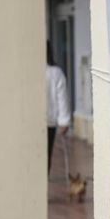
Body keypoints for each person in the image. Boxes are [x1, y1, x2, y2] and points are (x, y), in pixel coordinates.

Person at [46, 42, 71, 173]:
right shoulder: (56, 73)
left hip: (31, 122)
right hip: (49, 123)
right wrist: (64, 121)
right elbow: (62, 98)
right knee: (46, 157)